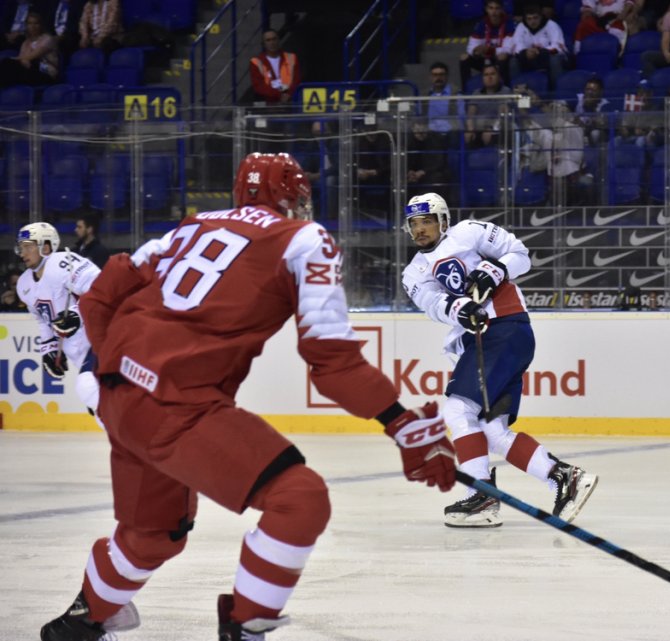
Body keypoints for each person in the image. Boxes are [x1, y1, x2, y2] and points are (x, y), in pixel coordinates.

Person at [39, 153, 456, 641]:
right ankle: (243, 629)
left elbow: (99, 296)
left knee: (150, 537)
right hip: (178, 403)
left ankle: (79, 623)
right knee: (299, 500)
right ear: (292, 198)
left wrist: (121, 366)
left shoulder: (187, 228)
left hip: (116, 394)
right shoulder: (305, 238)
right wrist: (401, 423)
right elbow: (333, 363)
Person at [400, 192, 598, 528]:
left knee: (458, 410)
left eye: (427, 221)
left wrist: (495, 270)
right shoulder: (413, 273)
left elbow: (520, 255)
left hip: (503, 328)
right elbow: (433, 304)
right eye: (414, 224)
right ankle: (564, 478)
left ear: (443, 221)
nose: (420, 229)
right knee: (491, 429)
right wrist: (458, 308)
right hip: (484, 339)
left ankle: (482, 495)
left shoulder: (469, 232)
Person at [14, 222, 102, 419]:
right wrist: (49, 349)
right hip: (78, 351)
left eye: (28, 246)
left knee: (88, 387)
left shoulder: (63, 262)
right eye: (21, 247)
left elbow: (100, 286)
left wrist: (76, 313)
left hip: (100, 339)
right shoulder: (23, 284)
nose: (23, 253)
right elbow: (42, 318)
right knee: (99, 413)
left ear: (45, 247)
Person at [508, 3, 568, 90]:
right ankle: (516, 90)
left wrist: (539, 52)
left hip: (547, 57)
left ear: (541, 17)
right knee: (513, 61)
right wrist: (526, 52)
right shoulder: (521, 26)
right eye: (529, 19)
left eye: (535, 18)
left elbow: (558, 46)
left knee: (554, 59)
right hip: (529, 58)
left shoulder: (551, 25)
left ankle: (556, 91)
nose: (532, 21)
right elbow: (516, 45)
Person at [460, 0, 514, 85]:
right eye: (491, 8)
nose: (494, 12)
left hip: (501, 59)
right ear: (486, 9)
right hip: (485, 58)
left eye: (497, 8)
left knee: (502, 57)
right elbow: (471, 46)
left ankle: (505, 88)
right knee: (464, 57)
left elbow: (509, 48)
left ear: (502, 9)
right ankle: (466, 89)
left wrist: (491, 50)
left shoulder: (509, 24)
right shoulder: (481, 25)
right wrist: (475, 51)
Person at [0, 11, 58, 87]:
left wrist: (15, 59)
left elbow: (32, 56)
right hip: (31, 70)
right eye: (30, 23)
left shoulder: (48, 39)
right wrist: (23, 60)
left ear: (41, 25)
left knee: (7, 62)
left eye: (36, 23)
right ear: (26, 26)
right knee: (9, 67)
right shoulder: (25, 43)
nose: (33, 26)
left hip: (46, 73)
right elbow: (23, 59)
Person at [249, 29, 301, 105]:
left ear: (279, 40)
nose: (272, 43)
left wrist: (289, 94)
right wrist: (279, 95)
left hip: (289, 102)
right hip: (268, 104)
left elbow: (297, 80)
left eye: (274, 39)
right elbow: (258, 86)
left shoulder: (291, 58)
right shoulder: (256, 62)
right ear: (263, 44)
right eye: (268, 40)